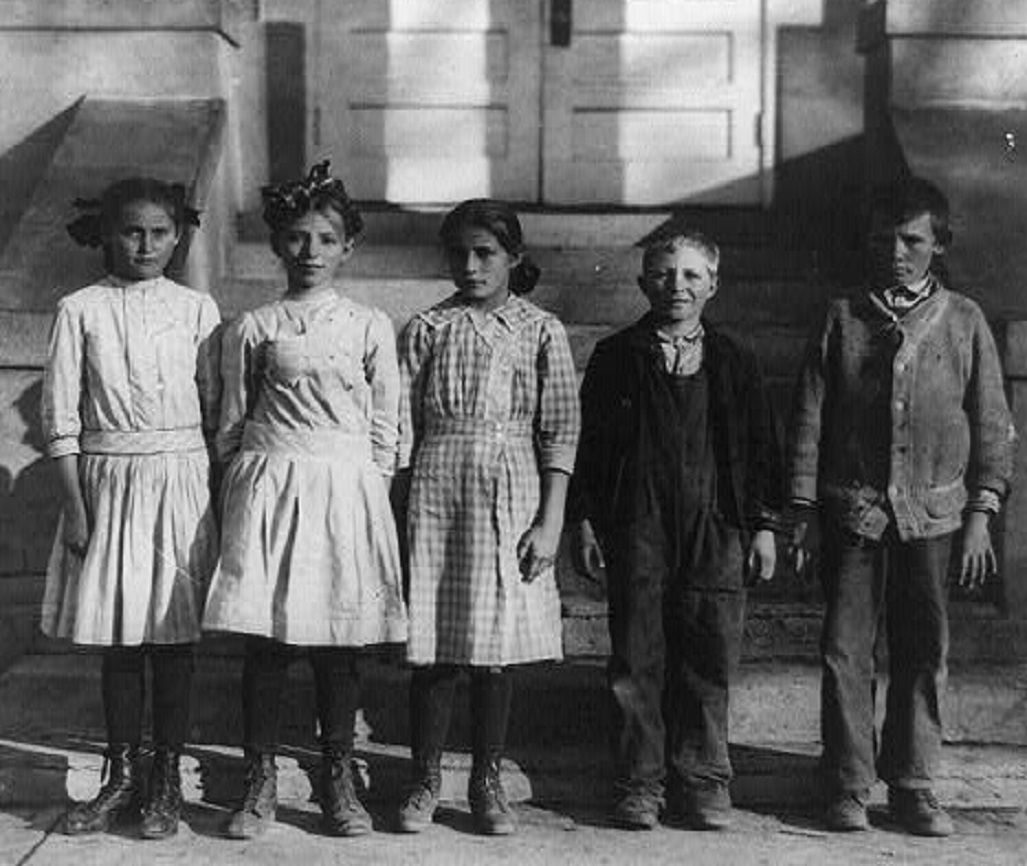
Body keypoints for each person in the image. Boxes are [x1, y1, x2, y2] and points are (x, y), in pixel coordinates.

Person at [788, 176, 1015, 836]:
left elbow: (992, 421)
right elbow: (808, 418)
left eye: (911, 239)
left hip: (935, 515)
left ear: (937, 244)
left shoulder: (965, 321)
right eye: (882, 239)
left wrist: (980, 514)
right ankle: (846, 781)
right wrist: (801, 509)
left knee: (922, 647)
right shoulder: (841, 317)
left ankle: (914, 781)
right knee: (844, 647)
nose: (896, 251)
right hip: (854, 511)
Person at [202, 162, 407, 839]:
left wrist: (366, 493)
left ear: (348, 246)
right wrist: (244, 493)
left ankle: (337, 779)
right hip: (271, 487)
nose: (310, 252)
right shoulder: (254, 325)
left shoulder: (369, 325)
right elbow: (230, 424)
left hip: (344, 492)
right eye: (296, 238)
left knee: (337, 645)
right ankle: (257, 781)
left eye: (325, 238)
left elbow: (386, 429)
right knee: (267, 642)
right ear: (277, 245)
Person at [572, 230, 783, 831]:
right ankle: (639, 781)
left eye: (692, 276)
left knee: (708, 651)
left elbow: (760, 448)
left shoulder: (734, 360)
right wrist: (585, 517)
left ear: (713, 285)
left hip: (715, 521)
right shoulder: (618, 356)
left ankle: (704, 779)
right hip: (637, 519)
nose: (678, 287)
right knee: (637, 654)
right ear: (643, 284)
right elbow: (591, 446)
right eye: (664, 275)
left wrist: (763, 525)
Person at [41, 177, 221, 839]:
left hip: (181, 479)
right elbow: (60, 418)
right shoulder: (79, 309)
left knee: (172, 641)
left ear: (178, 236)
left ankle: (165, 780)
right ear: (106, 234)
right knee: (120, 641)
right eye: (131, 232)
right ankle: (120, 774)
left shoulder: (198, 309)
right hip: (108, 481)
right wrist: (79, 507)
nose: (145, 245)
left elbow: (215, 408)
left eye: (159, 233)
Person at [394, 199, 580, 835]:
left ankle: (486, 779)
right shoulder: (427, 328)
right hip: (439, 491)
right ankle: (423, 779)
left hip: (512, 492)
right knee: (436, 642)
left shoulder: (540, 330)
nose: (471, 267)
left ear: (513, 259)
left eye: (486, 255)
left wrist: (550, 520)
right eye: (460, 255)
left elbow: (559, 433)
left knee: (493, 645)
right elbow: (399, 430)